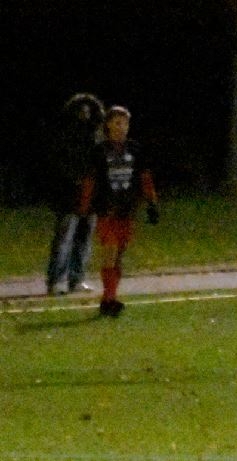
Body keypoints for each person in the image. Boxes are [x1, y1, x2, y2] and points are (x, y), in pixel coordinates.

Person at [79, 106, 159, 317]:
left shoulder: (135, 149)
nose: (121, 127)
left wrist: (152, 202)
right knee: (110, 251)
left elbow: (145, 177)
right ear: (108, 125)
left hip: (127, 209)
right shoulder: (99, 151)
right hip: (107, 209)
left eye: (125, 123)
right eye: (117, 122)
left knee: (119, 255)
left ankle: (111, 297)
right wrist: (85, 207)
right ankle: (108, 299)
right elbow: (90, 181)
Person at [45, 93, 105, 295]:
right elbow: (59, 163)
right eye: (81, 111)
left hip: (92, 194)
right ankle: (56, 280)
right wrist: (75, 179)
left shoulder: (97, 136)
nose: (85, 114)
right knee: (65, 238)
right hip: (70, 195)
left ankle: (77, 279)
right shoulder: (65, 136)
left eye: (88, 111)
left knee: (84, 238)